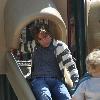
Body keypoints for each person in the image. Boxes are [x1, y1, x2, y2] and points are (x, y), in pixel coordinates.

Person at [30, 24, 79, 100]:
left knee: (65, 97)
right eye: (40, 39)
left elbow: (70, 65)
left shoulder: (60, 46)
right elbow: (19, 47)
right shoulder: (34, 45)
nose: (44, 41)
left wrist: (76, 82)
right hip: (38, 79)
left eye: (46, 37)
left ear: (50, 35)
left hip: (56, 80)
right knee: (44, 95)